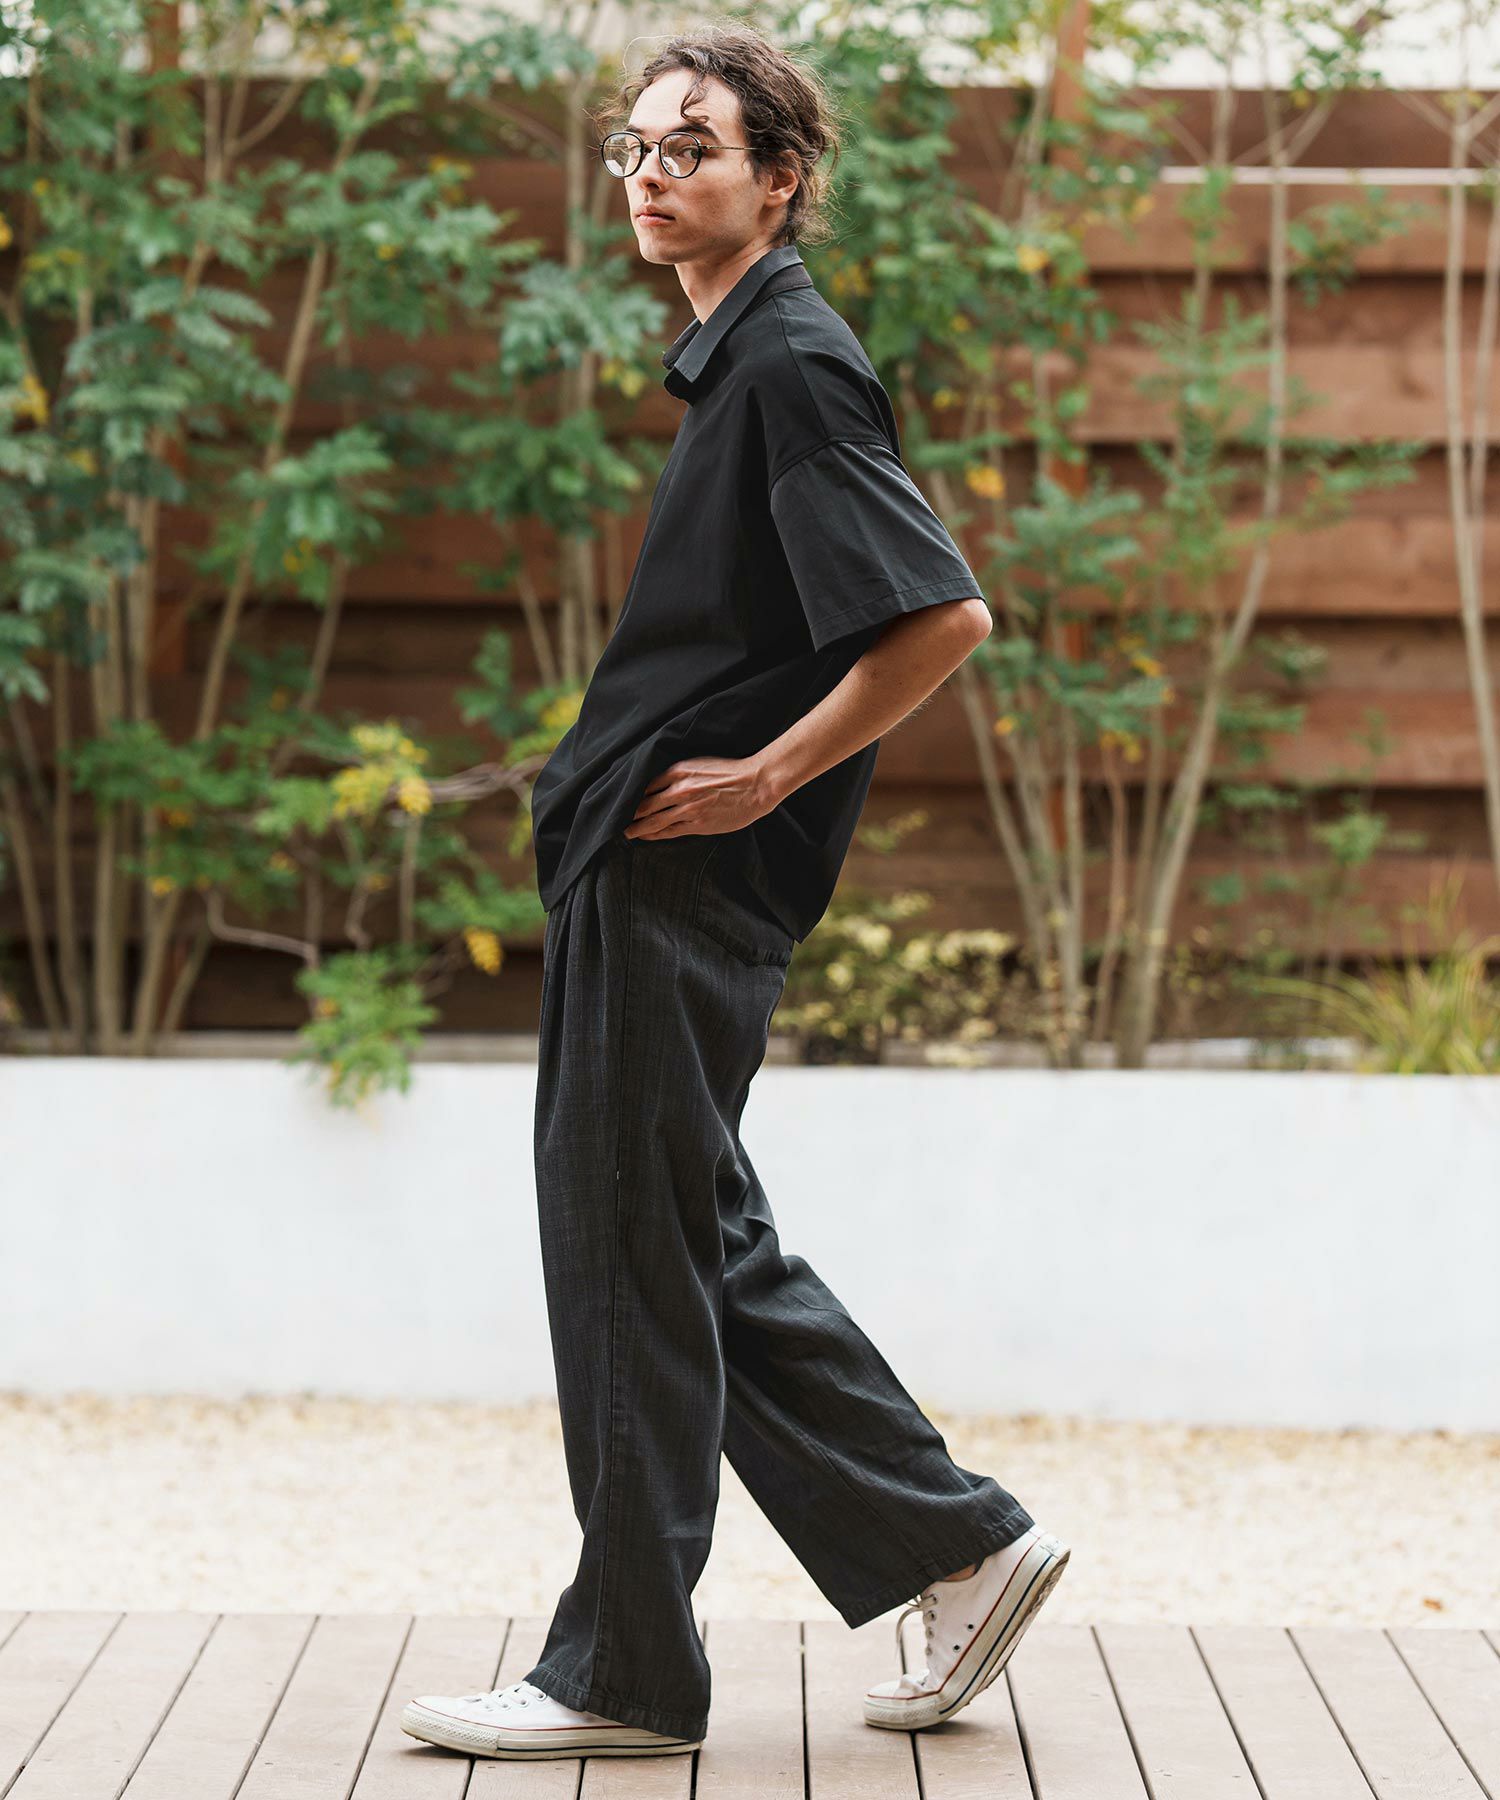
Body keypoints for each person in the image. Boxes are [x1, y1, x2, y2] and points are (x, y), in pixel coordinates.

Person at [401, 23, 1069, 1766]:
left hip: (685, 878)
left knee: (629, 1258)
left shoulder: (789, 362)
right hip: (650, 871)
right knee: (687, 1237)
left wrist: (766, 775)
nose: (650, 175)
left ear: (780, 179)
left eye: (690, 148)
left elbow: (940, 617)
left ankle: (625, 1675)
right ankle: (955, 1546)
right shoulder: (744, 358)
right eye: (634, 147)